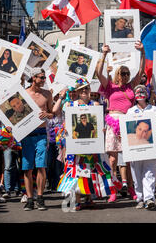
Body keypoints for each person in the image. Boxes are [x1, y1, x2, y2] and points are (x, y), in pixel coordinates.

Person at [53, 78, 117, 211]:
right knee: (76, 171)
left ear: (90, 90)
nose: (84, 91)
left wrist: (102, 129)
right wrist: (65, 130)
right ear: (77, 91)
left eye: (86, 88)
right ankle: (76, 200)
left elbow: (99, 124)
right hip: (75, 145)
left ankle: (88, 198)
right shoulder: (70, 106)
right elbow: (58, 115)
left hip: (92, 145)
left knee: (91, 170)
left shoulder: (96, 105)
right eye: (81, 89)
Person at [96, 41, 145, 203]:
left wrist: (142, 52)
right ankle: (113, 189)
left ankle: (131, 188)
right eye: (122, 73)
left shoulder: (131, 86)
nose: (125, 76)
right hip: (113, 121)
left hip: (128, 121)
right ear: (117, 74)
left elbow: (141, 71)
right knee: (112, 159)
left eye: (126, 73)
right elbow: (98, 72)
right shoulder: (110, 86)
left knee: (130, 158)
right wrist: (103, 54)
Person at [22, 68, 54, 211]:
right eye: (41, 77)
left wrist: (46, 114)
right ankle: (29, 199)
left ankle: (40, 198)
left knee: (41, 166)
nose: (44, 80)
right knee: (27, 168)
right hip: (27, 134)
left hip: (41, 133)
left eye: (44, 77)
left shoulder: (47, 94)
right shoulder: (24, 94)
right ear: (33, 78)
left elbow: (52, 114)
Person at [128, 85, 156, 210]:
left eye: (143, 91)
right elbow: (128, 129)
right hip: (135, 147)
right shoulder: (130, 111)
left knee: (149, 173)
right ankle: (140, 198)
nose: (140, 94)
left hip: (150, 146)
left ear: (147, 94)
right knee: (136, 174)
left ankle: (149, 198)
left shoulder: (154, 109)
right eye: (137, 91)